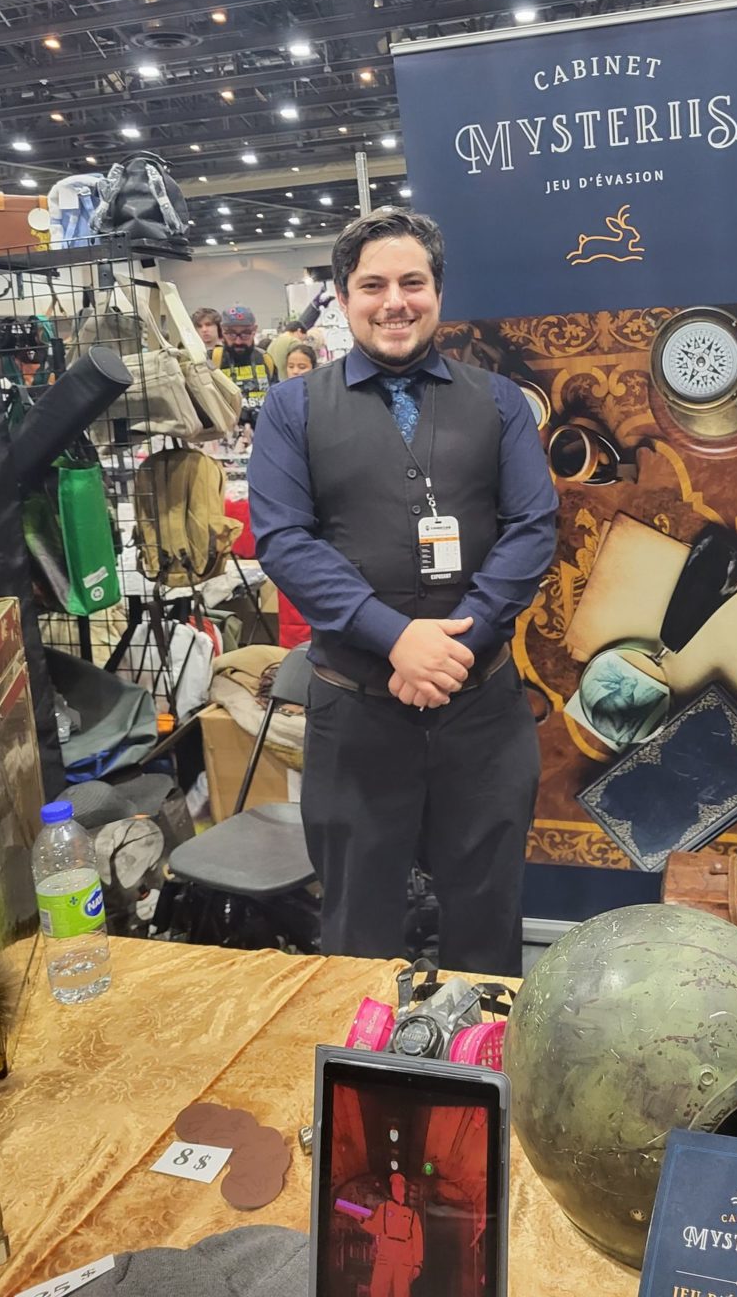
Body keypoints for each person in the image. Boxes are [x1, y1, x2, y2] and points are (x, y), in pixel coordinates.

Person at [247, 208, 557, 976]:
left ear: (437, 293)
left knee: (487, 928)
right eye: (372, 285)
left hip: (482, 717)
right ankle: (370, 1057)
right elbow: (284, 540)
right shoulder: (292, 409)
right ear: (343, 298)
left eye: (411, 283)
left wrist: (458, 642)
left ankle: (484, 1050)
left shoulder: (498, 403)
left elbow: (532, 527)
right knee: (357, 934)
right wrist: (396, 638)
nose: (394, 302)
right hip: (355, 720)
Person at [350, 1174, 423, 1297]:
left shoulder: (412, 1215)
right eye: (394, 1185)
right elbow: (375, 1227)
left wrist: (417, 1264)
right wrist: (362, 1220)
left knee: (401, 1292)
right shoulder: (383, 1208)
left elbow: (418, 1240)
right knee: (377, 1291)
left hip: (404, 1261)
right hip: (385, 1258)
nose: (396, 1187)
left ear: (404, 1189)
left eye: (399, 1185)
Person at [214, 304, 276, 424]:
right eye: (231, 334)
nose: (238, 341)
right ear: (222, 331)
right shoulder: (213, 360)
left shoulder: (265, 359)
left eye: (245, 334)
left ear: (254, 330)